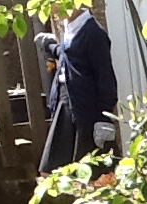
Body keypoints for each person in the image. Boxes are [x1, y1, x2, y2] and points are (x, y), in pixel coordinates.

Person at [34, 8, 118, 174]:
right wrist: (51, 46)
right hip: (66, 105)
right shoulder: (69, 29)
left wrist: (104, 117)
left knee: (93, 175)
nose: (54, 7)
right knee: (53, 171)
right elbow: (70, 56)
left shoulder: (94, 33)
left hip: (86, 110)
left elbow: (106, 78)